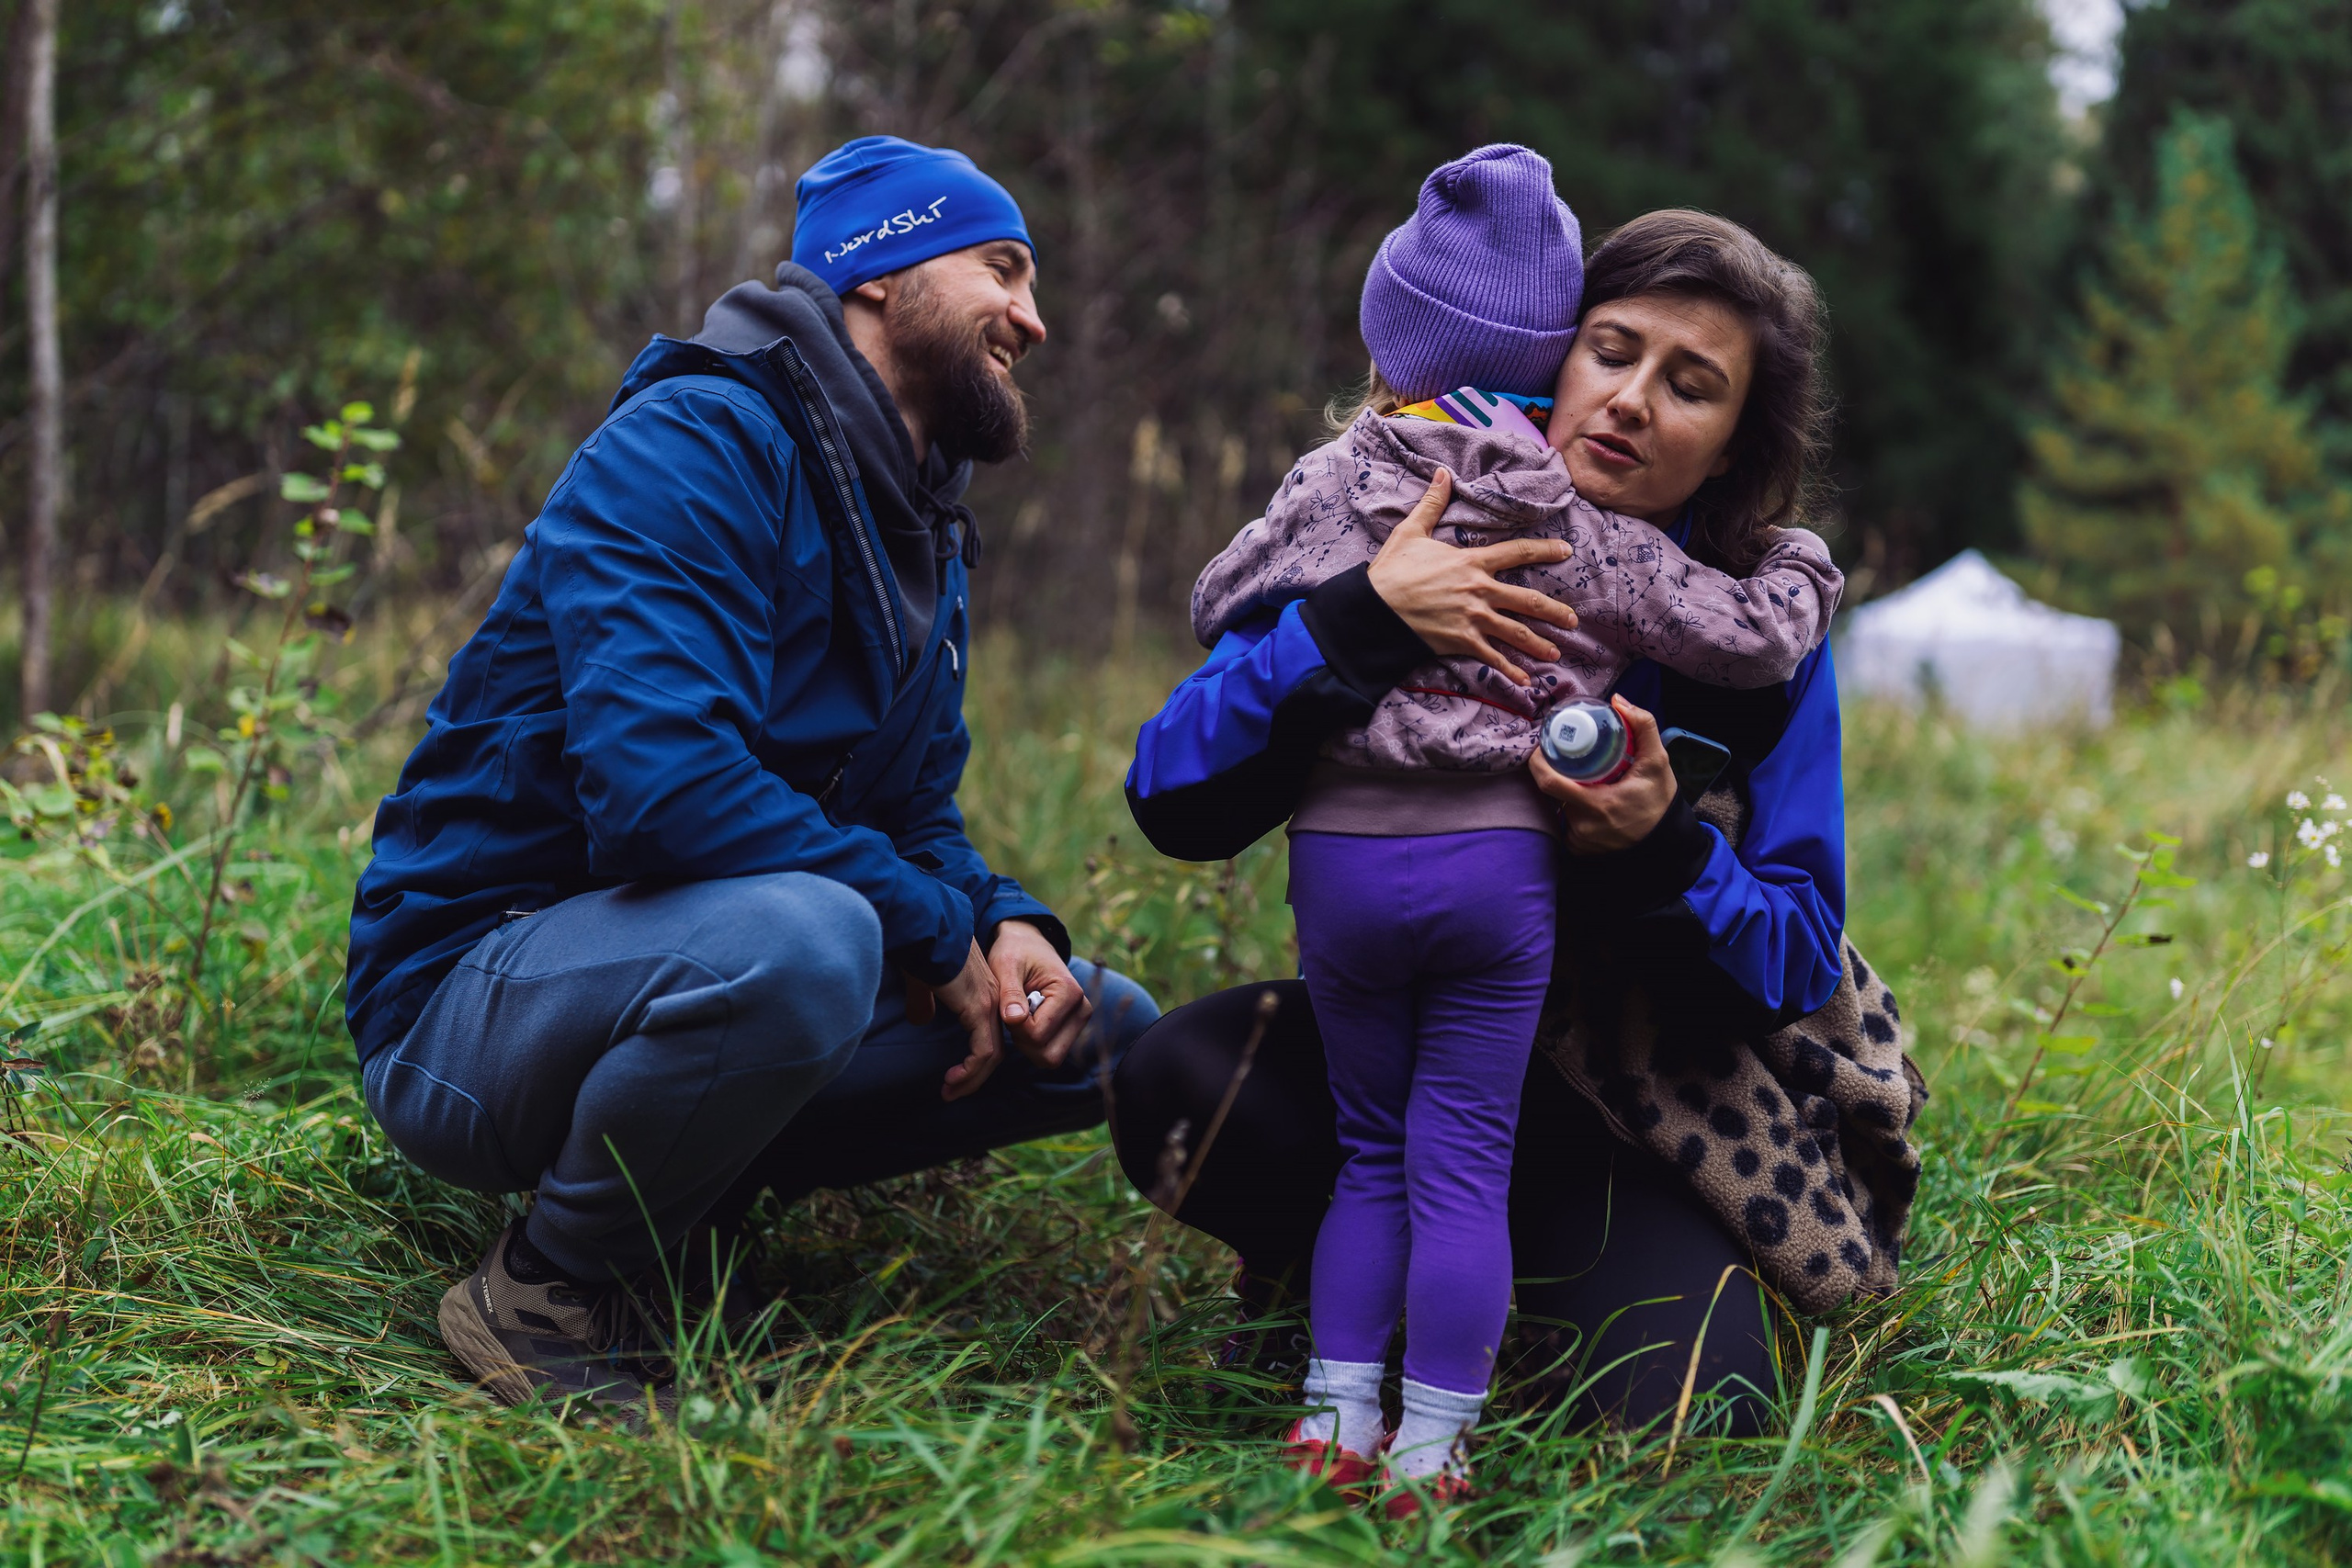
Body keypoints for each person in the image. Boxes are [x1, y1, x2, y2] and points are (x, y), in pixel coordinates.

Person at [345, 136, 1158, 1412]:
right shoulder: (697, 440)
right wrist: (923, 919)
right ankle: (549, 1287)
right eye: (1003, 269)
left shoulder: (922, 525)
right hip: (470, 1000)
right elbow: (660, 792)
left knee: (1099, 1026)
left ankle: (686, 1188)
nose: (1033, 320)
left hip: (703, 958)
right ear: (880, 270)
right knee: (812, 939)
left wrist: (999, 919)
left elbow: (910, 809)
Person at [1116, 209, 1922, 1452]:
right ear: (1552, 358)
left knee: (1698, 1408)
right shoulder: (1396, 515)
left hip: (1627, 1116)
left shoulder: (1753, 638)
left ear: (1731, 451)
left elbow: (1800, 955)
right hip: (1399, 1056)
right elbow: (1172, 792)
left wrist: (1662, 850)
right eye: (1613, 350)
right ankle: (1336, 1302)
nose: (1633, 400)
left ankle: (1485, 1314)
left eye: (1692, 385)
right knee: (1178, 1081)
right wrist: (1363, 619)